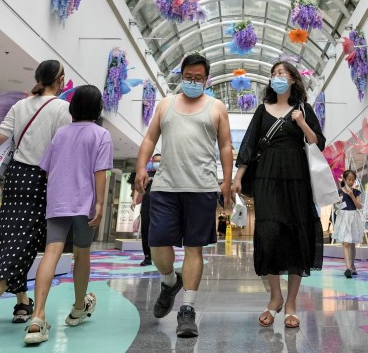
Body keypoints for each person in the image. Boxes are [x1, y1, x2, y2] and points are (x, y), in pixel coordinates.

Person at [0, 60, 72, 340]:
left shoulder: (20, 105)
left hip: (15, 176)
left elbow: (1, 136)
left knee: (13, 235)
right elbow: (62, 146)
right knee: (27, 239)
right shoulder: (63, 108)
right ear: (60, 80)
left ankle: (23, 302)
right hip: (41, 178)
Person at [134, 54, 233, 339]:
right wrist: (141, 166)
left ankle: (187, 309)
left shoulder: (216, 107)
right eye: (188, 77)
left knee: (194, 248)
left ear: (206, 79)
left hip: (201, 187)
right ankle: (169, 281)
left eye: (198, 78)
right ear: (182, 75)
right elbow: (150, 138)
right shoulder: (166, 104)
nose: (192, 82)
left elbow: (226, 146)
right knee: (157, 243)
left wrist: (225, 182)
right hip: (165, 186)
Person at [232, 61, 325, 329]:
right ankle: (275, 297)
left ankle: (292, 304)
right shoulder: (262, 110)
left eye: (281, 74)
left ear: (294, 80)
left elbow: (317, 141)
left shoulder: (304, 109)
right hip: (267, 177)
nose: (276, 78)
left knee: (296, 236)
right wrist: (238, 177)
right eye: (274, 75)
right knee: (269, 234)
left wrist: (302, 123)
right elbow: (248, 145)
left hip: (297, 178)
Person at [23, 85, 113, 344]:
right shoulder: (101, 134)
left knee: (51, 251)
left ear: (73, 107)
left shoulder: (61, 133)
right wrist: (99, 204)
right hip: (85, 203)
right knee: (82, 252)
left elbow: (48, 169)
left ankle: (37, 318)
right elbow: (100, 173)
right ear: (97, 108)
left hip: (58, 201)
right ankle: (77, 309)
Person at [128, 153, 161, 266]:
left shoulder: (165, 174)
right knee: (146, 231)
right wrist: (134, 200)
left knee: (160, 232)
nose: (157, 163)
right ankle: (147, 257)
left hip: (161, 208)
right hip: (147, 207)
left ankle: (160, 257)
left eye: (159, 161)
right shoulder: (147, 174)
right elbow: (138, 187)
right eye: (155, 161)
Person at [332, 169, 363, 279]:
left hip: (353, 217)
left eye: (353, 180)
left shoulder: (356, 192)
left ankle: (353, 265)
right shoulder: (339, 191)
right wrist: (339, 203)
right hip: (343, 217)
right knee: (345, 243)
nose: (351, 182)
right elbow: (336, 206)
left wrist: (352, 196)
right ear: (344, 179)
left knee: (352, 243)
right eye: (349, 179)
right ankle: (348, 268)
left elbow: (359, 206)